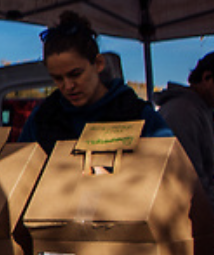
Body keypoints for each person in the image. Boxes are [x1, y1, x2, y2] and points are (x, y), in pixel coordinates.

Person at [17, 9, 171, 153]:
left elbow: (171, 167)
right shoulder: (42, 119)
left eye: (76, 74)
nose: (68, 86)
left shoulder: (137, 114)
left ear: (98, 64)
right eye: (58, 78)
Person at [153, 51, 214, 202]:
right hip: (190, 213)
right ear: (207, 77)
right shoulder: (183, 112)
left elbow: (207, 162)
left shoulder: (201, 109)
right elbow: (191, 182)